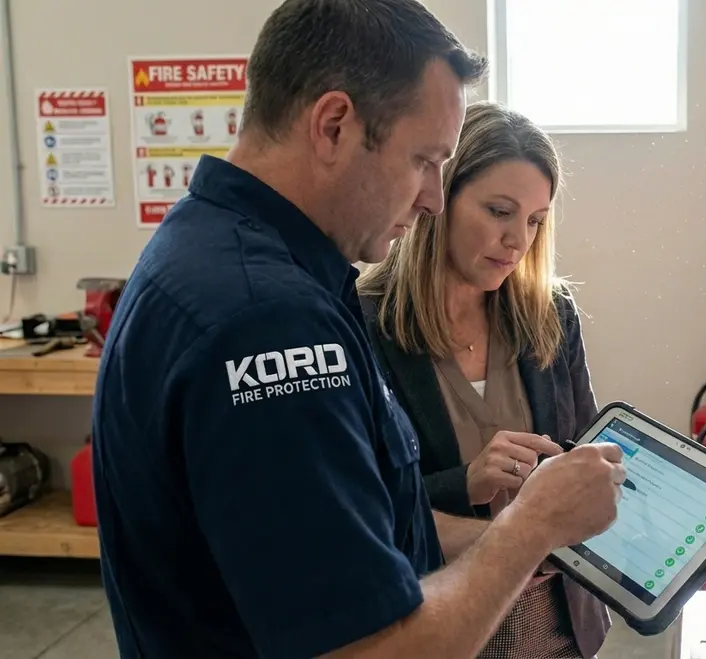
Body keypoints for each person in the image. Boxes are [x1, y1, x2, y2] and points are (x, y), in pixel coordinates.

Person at [90, 2, 625, 658]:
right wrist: (532, 527)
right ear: (334, 125)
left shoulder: (205, 250)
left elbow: (358, 530)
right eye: (423, 160)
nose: (431, 198)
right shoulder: (270, 324)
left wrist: (524, 530)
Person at [356, 101, 609, 658]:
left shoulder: (551, 314)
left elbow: (586, 455)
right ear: (438, 199)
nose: (518, 240)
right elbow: (357, 509)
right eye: (499, 211)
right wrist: (463, 483)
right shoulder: (361, 324)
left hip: (558, 630)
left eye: (535, 220)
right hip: (437, 625)